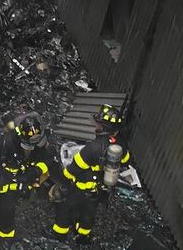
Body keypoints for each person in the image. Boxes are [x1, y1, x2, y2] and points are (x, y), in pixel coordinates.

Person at [51, 104, 131, 242]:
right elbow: (125, 160)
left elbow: (73, 170)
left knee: (65, 208)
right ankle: (83, 237)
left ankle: (59, 235)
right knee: (89, 213)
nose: (96, 126)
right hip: (100, 188)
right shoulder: (119, 144)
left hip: (80, 188)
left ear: (102, 126)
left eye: (98, 123)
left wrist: (62, 181)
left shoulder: (92, 148)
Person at [0, 112, 56, 242]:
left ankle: (22, 195)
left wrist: (34, 172)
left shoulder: (40, 139)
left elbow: (48, 160)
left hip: (25, 175)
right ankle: (5, 236)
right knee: (7, 209)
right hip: (6, 179)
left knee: (20, 195)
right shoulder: (7, 142)